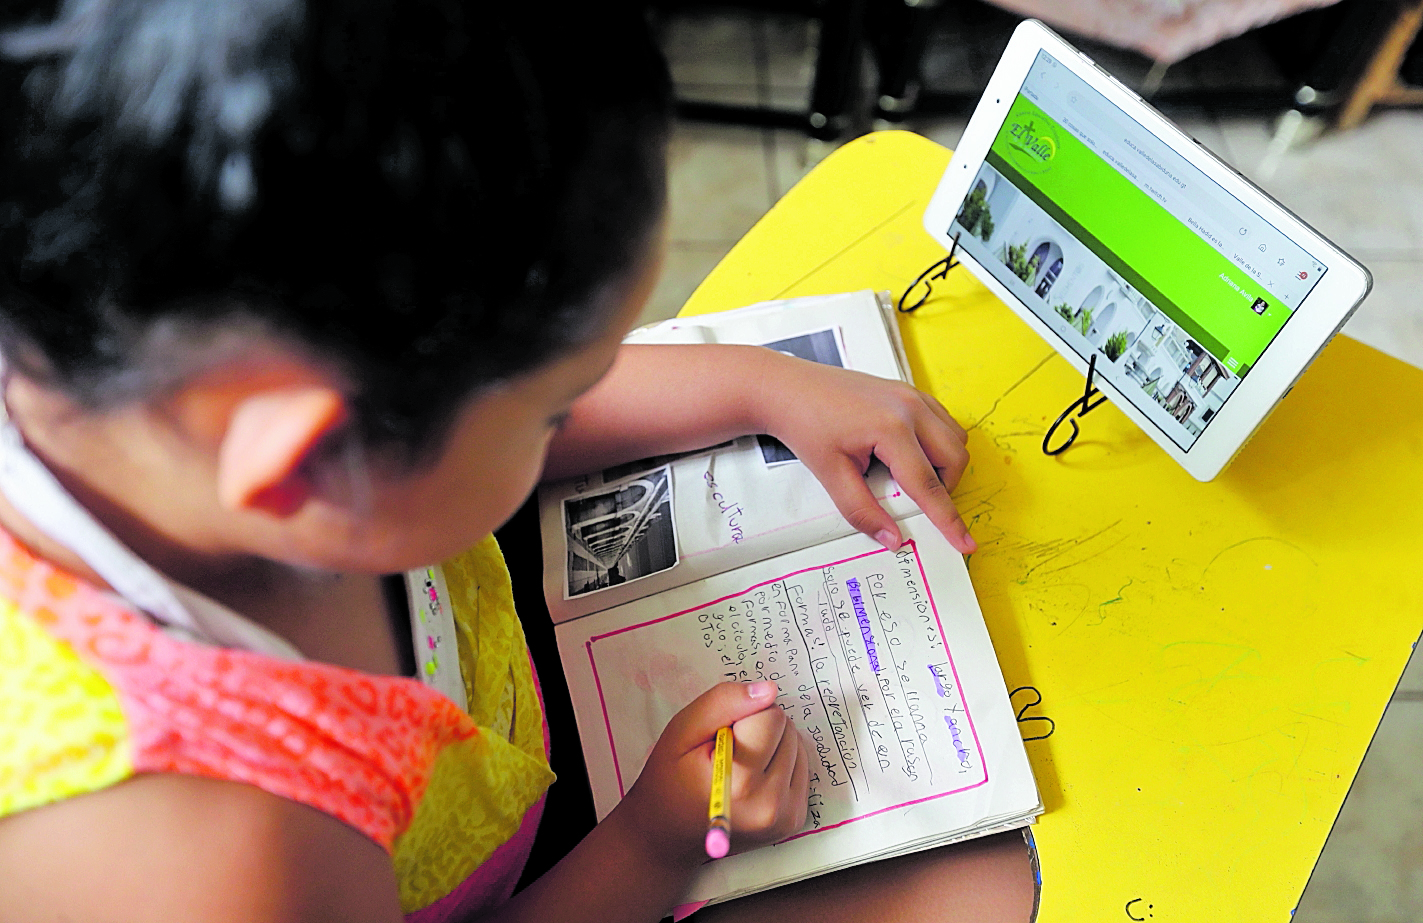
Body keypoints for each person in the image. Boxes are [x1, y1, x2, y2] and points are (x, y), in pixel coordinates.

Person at [0, 2, 1032, 920]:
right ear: (307, 463)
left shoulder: (148, 374)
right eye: (555, 405)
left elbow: (461, 419)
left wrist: (757, 385)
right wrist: (656, 842)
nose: (579, 402)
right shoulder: (223, 861)